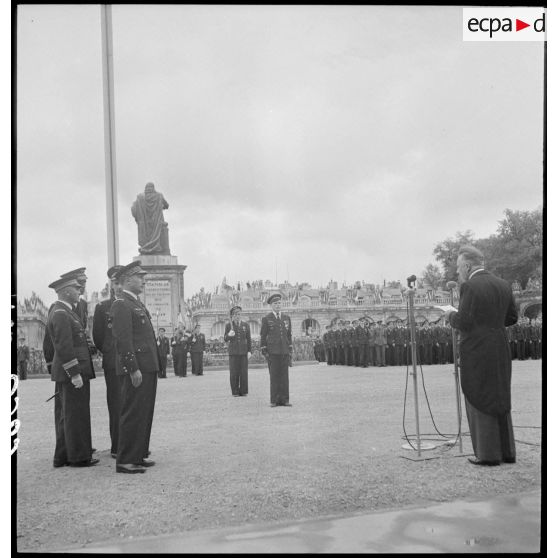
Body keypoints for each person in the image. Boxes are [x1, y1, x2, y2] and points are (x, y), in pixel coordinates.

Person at [445, 245, 518, 466]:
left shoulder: (470, 287)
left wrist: (450, 315)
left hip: (477, 349)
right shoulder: (503, 284)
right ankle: (507, 451)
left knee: (479, 395)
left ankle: (488, 454)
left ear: (467, 265)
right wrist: (491, 323)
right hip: (499, 347)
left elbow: (464, 322)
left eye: (459, 267)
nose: (458, 272)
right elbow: (512, 318)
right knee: (499, 395)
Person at [110, 262, 159, 474]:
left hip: (147, 366)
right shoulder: (122, 304)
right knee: (132, 412)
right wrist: (133, 368)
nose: (143, 280)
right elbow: (123, 340)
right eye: (139, 277)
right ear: (128, 279)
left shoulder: (135, 303)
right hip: (137, 368)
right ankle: (126, 460)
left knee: (144, 412)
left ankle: (138, 454)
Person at [47, 275, 98, 468]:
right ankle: (78, 457)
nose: (80, 291)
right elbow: (64, 346)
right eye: (76, 289)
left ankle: (63, 456)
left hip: (72, 371)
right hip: (73, 372)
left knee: (68, 414)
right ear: (66, 291)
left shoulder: (65, 311)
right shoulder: (61, 313)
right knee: (75, 414)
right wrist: (74, 373)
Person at [92, 265, 124, 458]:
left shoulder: (132, 303)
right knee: (116, 403)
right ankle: (117, 446)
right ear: (111, 284)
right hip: (113, 362)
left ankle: (132, 444)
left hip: (132, 361)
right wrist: (109, 351)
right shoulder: (102, 307)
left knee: (132, 403)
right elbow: (97, 336)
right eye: (116, 283)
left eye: (122, 282)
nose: (119, 287)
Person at [260, 293, 292, 407]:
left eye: (279, 303)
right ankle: (274, 400)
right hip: (272, 352)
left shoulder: (286, 318)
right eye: (275, 303)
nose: (278, 305)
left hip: (284, 351)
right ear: (271, 305)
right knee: (274, 376)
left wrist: (290, 349)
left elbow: (289, 336)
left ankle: (285, 400)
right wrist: (264, 350)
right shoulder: (266, 318)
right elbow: (263, 336)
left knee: (284, 376)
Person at [131, 182, 169, 254]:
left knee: (147, 234)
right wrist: (162, 206)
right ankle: (156, 247)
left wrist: (138, 217)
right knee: (161, 229)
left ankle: (146, 247)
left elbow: (133, 209)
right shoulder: (159, 195)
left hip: (145, 225)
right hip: (156, 224)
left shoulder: (140, 197)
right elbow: (166, 205)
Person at [224, 306, 252, 396]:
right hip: (233, 352)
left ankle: (243, 391)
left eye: (239, 314)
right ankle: (235, 391)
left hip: (243, 352)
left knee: (243, 372)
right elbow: (225, 339)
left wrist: (249, 351)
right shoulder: (229, 325)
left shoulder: (245, 325)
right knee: (234, 372)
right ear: (232, 316)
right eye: (235, 314)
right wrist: (229, 335)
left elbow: (249, 339)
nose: (237, 316)